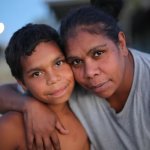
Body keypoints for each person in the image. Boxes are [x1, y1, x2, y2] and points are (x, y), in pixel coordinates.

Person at [0, 5, 150, 150]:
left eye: (98, 53)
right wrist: (30, 106)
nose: (89, 72)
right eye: (76, 61)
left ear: (122, 44)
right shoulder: (72, 81)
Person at [0, 23, 92, 150]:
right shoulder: (12, 126)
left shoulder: (83, 102)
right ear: (22, 83)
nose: (53, 79)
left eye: (58, 63)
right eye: (37, 73)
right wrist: (29, 106)